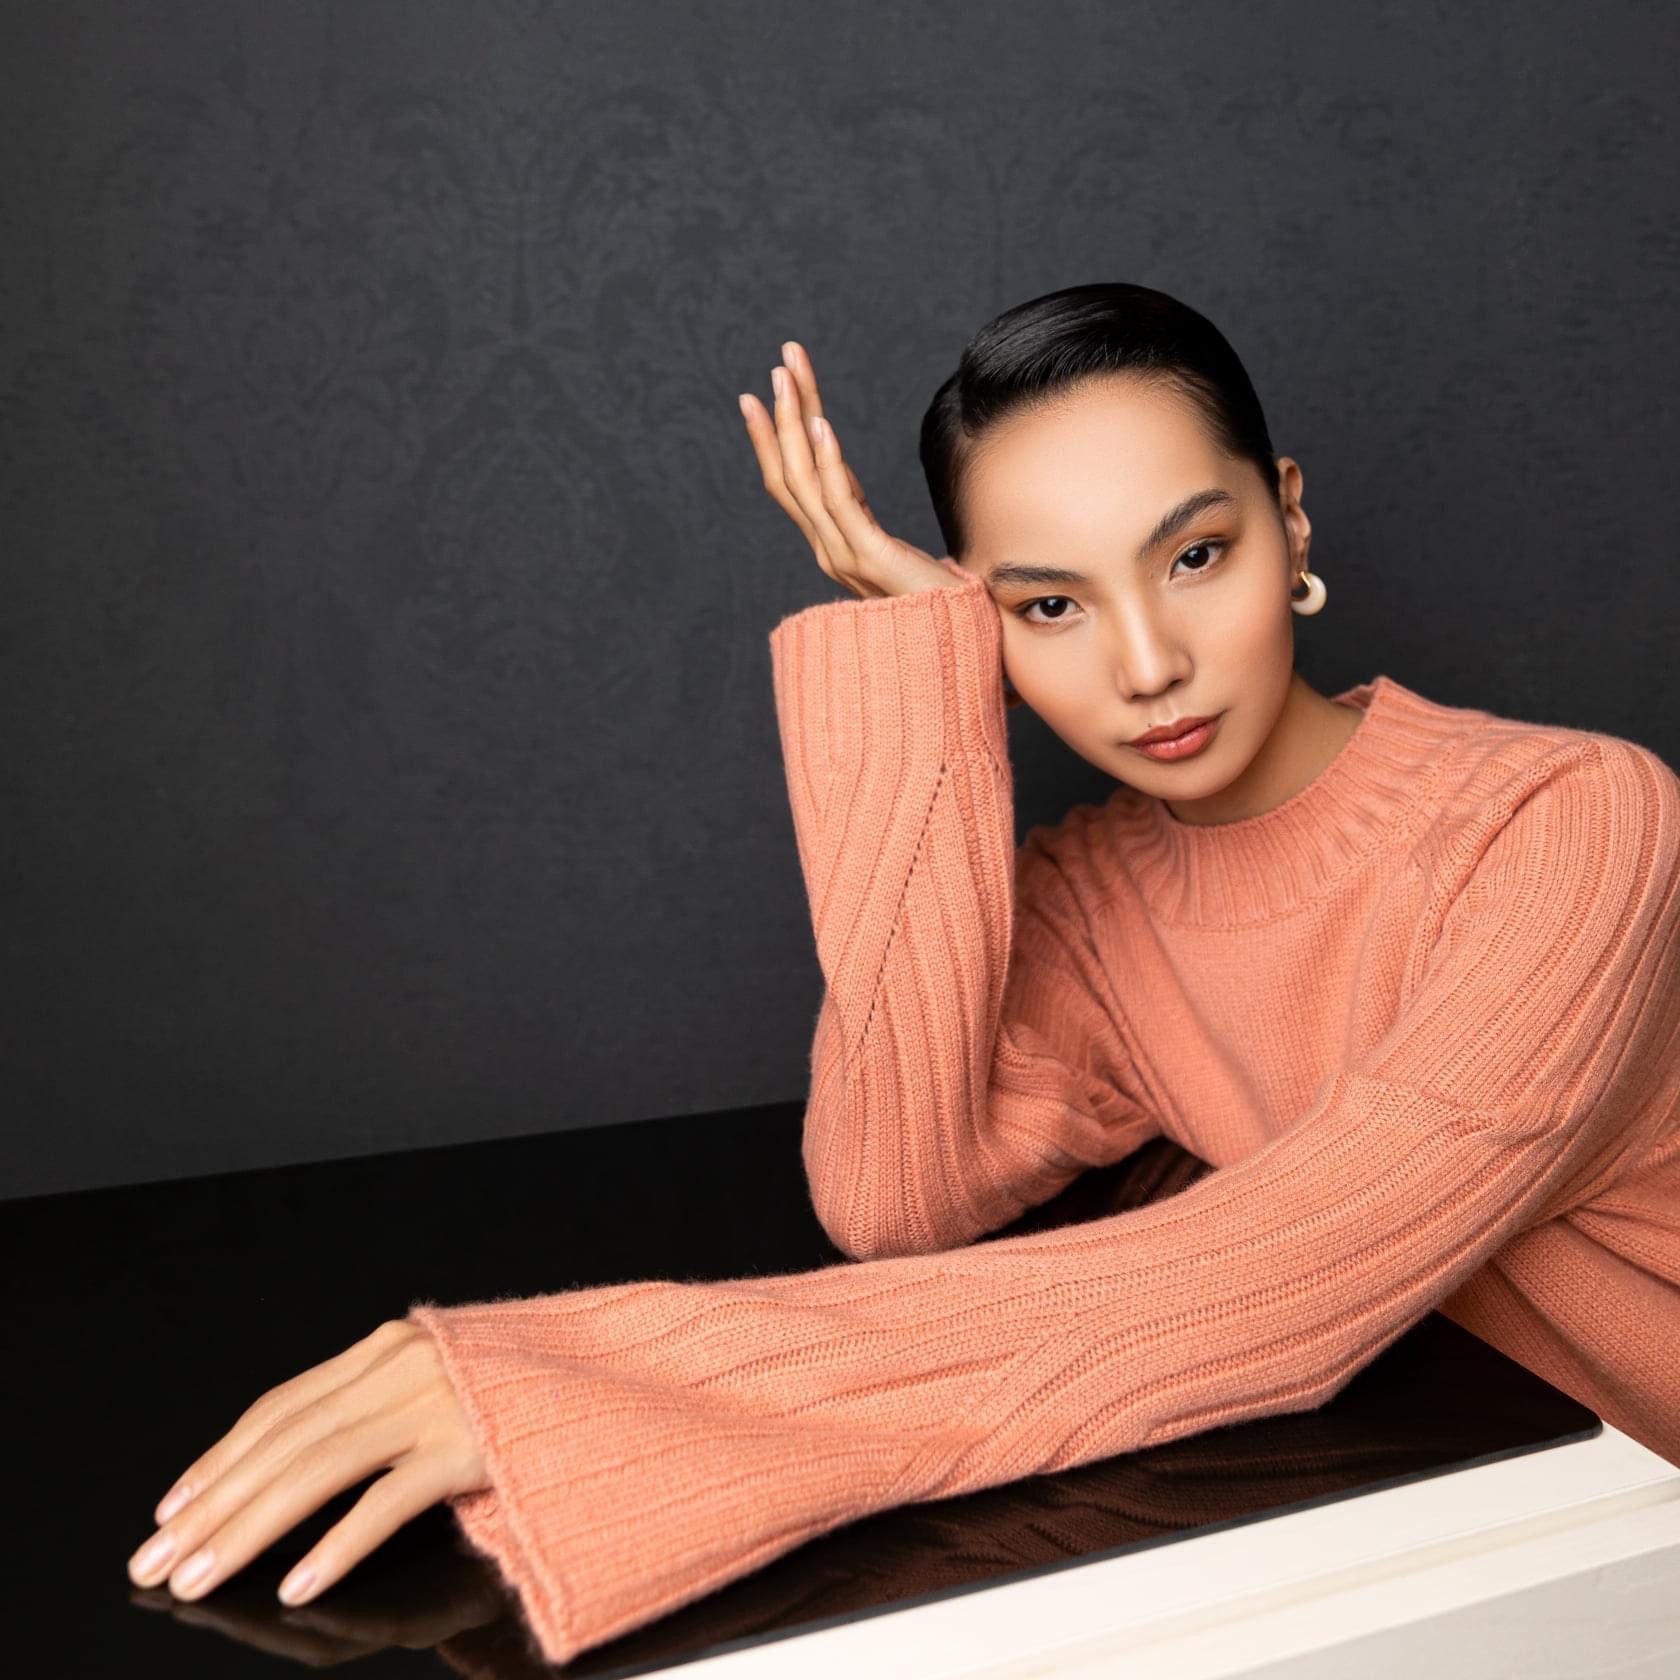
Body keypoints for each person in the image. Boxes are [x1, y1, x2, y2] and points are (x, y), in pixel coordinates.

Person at [125, 283, 1680, 1668]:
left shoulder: (1572, 821)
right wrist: (921, 658)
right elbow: (894, 1193)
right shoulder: (1096, 897)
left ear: (1291, 521)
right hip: (1481, 1508)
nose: (1146, 663)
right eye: (1047, 605)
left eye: (1195, 555)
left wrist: (586, 1385)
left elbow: (1295, 1274)